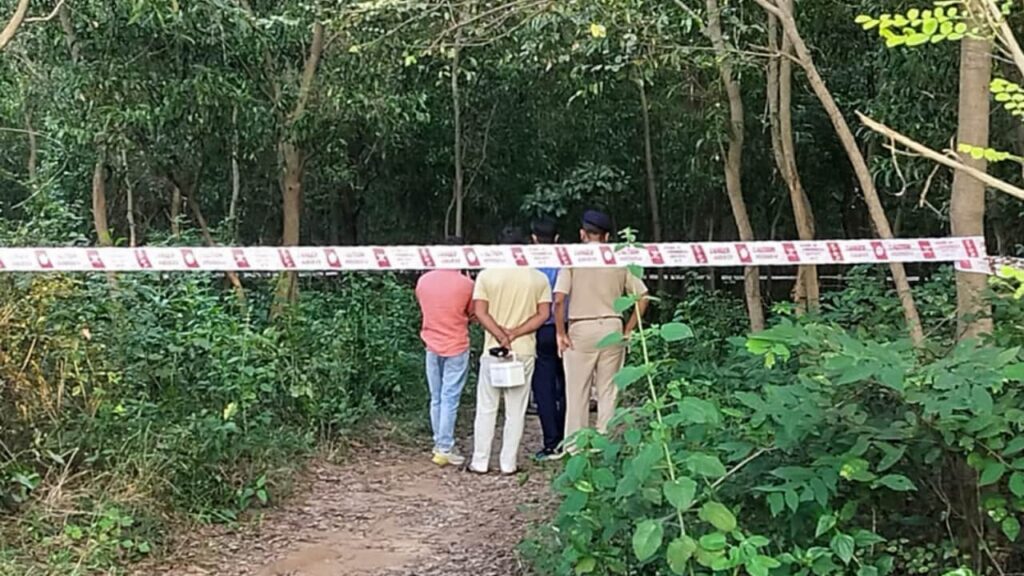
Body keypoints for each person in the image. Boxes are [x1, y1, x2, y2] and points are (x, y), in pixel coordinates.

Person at [555, 209, 649, 446]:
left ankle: (575, 447)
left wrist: (560, 332)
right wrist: (628, 329)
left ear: (582, 233)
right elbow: (643, 296)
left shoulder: (573, 258)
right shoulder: (618, 259)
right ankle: (604, 444)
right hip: (612, 326)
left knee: (577, 392)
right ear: (607, 237)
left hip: (580, 328)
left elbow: (558, 299)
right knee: (608, 391)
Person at [470, 226, 552, 475]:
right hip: (524, 350)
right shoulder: (538, 277)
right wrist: (515, 334)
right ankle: (508, 463)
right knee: (516, 409)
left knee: (486, 406)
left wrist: (500, 335)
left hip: (493, 350)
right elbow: (543, 314)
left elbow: (479, 312)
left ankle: (480, 461)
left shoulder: (486, 275)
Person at [415, 237, 475, 467]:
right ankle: (444, 447)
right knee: (450, 398)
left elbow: (422, 305)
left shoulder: (423, 281)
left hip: (431, 344)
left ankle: (439, 442)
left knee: (437, 397)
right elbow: (471, 313)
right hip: (456, 345)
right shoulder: (466, 284)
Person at [529, 216, 567, 460]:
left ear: (533, 239)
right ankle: (567, 439)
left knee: (543, 387)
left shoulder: (527, 265)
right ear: (556, 239)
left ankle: (550, 442)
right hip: (566, 328)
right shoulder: (567, 262)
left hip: (539, 328)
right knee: (567, 386)